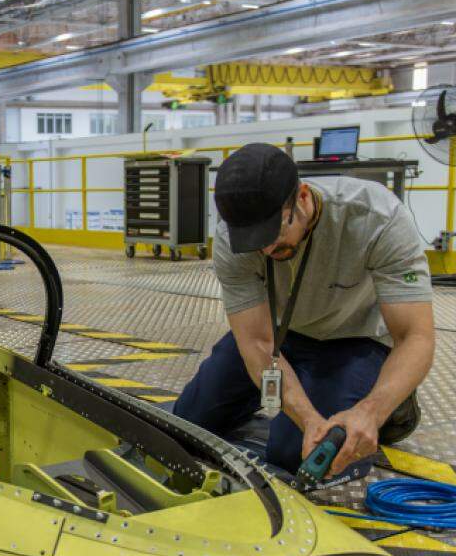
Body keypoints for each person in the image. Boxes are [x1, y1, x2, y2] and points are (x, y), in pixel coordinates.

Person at [172, 143, 433, 482]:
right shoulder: (230, 239)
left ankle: (392, 404)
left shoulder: (377, 218)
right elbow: (256, 342)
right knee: (189, 422)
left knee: (296, 455)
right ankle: (310, 401)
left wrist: (369, 412)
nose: (266, 248)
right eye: (254, 240)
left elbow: (415, 336)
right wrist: (308, 418)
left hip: (354, 339)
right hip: (280, 335)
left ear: (303, 198)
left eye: (274, 232)